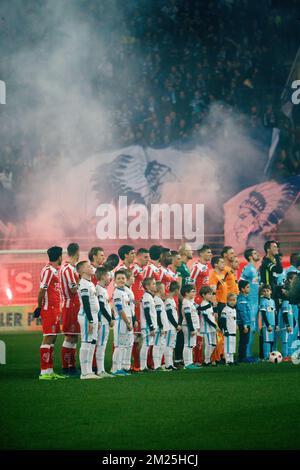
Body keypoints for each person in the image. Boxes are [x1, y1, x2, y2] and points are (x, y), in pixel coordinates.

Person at [35, 246, 66, 380]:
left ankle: (49, 370)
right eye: (61, 256)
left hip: (55, 309)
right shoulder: (48, 271)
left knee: (53, 338)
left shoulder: (55, 270)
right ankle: (44, 371)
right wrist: (39, 306)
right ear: (59, 257)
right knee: (48, 337)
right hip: (48, 309)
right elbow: (42, 290)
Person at [76, 260, 101, 380]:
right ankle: (84, 373)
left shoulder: (90, 283)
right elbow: (86, 303)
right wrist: (90, 320)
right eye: (88, 266)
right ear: (81, 271)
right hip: (87, 316)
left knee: (92, 343)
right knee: (86, 343)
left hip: (93, 316)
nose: (91, 267)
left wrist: (97, 319)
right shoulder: (83, 284)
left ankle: (89, 371)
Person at [59, 242, 80, 376]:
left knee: (74, 337)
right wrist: (82, 282)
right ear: (77, 253)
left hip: (74, 305)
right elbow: (73, 289)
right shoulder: (68, 269)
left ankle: (71, 365)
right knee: (70, 337)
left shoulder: (69, 268)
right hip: (70, 305)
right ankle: (66, 366)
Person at [190, 244, 212, 364]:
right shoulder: (197, 266)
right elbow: (190, 282)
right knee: (197, 330)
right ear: (202, 254)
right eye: (208, 252)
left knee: (203, 330)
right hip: (197, 302)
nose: (210, 254)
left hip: (204, 301)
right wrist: (193, 301)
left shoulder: (206, 266)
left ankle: (201, 358)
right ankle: (196, 359)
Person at [112, 270, 133, 376]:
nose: (121, 280)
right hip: (121, 321)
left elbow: (128, 308)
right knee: (119, 345)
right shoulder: (117, 293)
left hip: (127, 320)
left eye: (123, 278)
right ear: (114, 280)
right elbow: (120, 310)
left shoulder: (125, 292)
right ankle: (116, 368)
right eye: (119, 278)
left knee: (125, 345)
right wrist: (127, 323)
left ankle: (122, 367)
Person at [240, 248, 260, 360]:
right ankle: (246, 355)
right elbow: (240, 282)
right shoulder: (249, 269)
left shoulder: (253, 269)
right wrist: (244, 298)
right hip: (250, 303)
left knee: (254, 329)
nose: (257, 254)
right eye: (255, 253)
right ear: (250, 256)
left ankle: (249, 354)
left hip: (255, 302)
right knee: (250, 328)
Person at [95, 267, 115, 378]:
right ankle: (100, 370)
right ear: (103, 277)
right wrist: (110, 319)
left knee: (102, 345)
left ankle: (101, 370)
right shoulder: (99, 289)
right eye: (108, 276)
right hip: (103, 322)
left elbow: (106, 306)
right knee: (101, 345)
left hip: (104, 322)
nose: (110, 278)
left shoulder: (103, 289)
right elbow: (101, 307)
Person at [140, 277, 157, 372]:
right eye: (153, 284)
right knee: (145, 345)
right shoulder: (146, 297)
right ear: (147, 286)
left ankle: (144, 366)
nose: (155, 286)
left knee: (147, 345)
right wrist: (150, 326)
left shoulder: (149, 296)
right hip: (147, 325)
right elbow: (147, 312)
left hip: (149, 325)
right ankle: (143, 367)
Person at [181, 284, 200, 370]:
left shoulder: (190, 302)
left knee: (190, 345)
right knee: (187, 345)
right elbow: (188, 316)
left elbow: (199, 309)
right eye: (192, 291)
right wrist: (191, 329)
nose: (194, 293)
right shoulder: (186, 302)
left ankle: (190, 362)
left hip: (191, 326)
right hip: (188, 326)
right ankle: (187, 363)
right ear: (186, 293)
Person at [199, 286, 218, 366]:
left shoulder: (208, 304)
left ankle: (207, 359)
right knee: (209, 344)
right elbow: (206, 317)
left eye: (211, 294)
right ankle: (206, 361)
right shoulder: (203, 304)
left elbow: (210, 315)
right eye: (209, 294)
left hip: (212, 327)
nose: (211, 296)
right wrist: (214, 325)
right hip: (207, 328)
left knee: (213, 344)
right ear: (203, 295)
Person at [123, 269, 138, 372]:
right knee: (125, 343)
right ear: (128, 278)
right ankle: (123, 365)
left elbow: (132, 306)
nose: (134, 278)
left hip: (130, 317)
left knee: (129, 343)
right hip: (125, 319)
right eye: (132, 276)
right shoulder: (124, 290)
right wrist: (131, 320)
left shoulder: (129, 289)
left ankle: (127, 365)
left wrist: (134, 319)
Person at [165, 281, 181, 370]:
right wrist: (176, 325)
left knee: (171, 346)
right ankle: (168, 364)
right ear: (176, 290)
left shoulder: (171, 300)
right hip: (170, 327)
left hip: (173, 327)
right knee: (168, 345)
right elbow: (169, 314)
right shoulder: (168, 300)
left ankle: (170, 364)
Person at [153, 281, 169, 370]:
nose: (164, 290)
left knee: (161, 345)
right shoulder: (157, 300)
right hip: (159, 327)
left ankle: (159, 364)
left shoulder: (159, 300)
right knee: (157, 345)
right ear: (160, 289)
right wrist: (161, 326)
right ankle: (156, 365)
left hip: (162, 326)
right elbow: (158, 314)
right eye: (163, 288)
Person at [260, 284, 277, 361]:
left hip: (273, 324)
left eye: (267, 290)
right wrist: (267, 325)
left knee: (272, 340)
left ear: (271, 292)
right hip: (267, 325)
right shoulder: (263, 301)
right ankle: (266, 356)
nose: (266, 292)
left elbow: (275, 314)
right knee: (266, 340)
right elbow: (263, 315)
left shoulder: (273, 301)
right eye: (264, 291)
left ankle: (271, 356)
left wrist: (276, 325)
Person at [236, 280, 252, 363]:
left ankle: (243, 356)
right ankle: (242, 357)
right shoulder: (242, 299)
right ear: (242, 289)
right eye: (247, 287)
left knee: (245, 340)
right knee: (244, 340)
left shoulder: (245, 298)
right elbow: (243, 312)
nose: (249, 289)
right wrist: (245, 325)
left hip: (246, 322)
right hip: (243, 323)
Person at [220, 294, 237, 366]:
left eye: (234, 300)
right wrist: (225, 330)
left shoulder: (234, 310)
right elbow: (223, 321)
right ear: (227, 301)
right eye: (231, 300)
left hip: (233, 331)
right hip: (228, 331)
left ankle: (231, 360)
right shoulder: (225, 310)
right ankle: (227, 361)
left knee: (232, 346)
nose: (232, 302)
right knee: (228, 346)